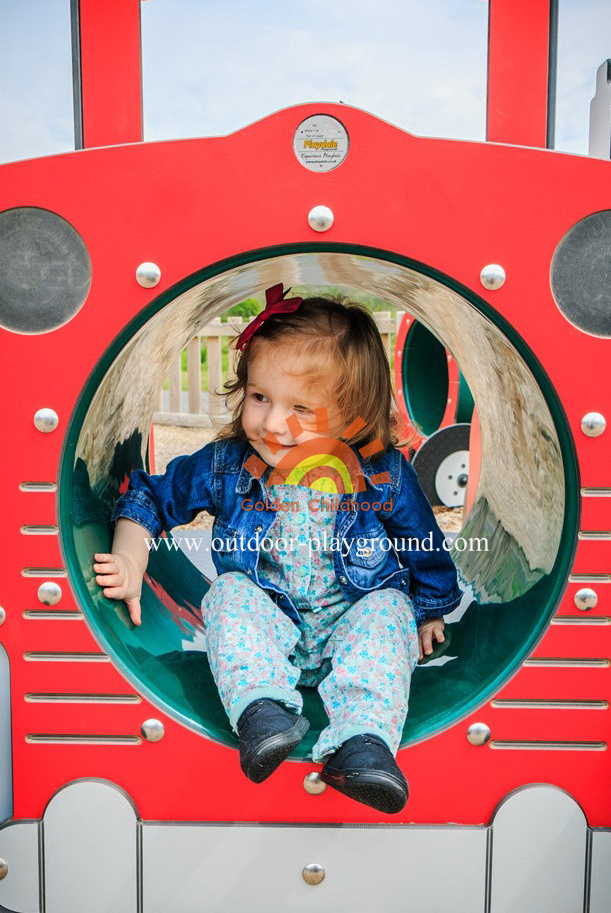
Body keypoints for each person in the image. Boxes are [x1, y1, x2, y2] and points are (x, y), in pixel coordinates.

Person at [94, 286, 461, 813]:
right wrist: (132, 556)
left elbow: (420, 543)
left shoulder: (382, 474)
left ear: (349, 413)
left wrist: (428, 611)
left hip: (351, 626)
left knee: (390, 608)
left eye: (300, 408)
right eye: (260, 397)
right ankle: (262, 714)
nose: (270, 422)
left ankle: (363, 742)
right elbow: (150, 494)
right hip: (266, 631)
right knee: (229, 592)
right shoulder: (227, 464)